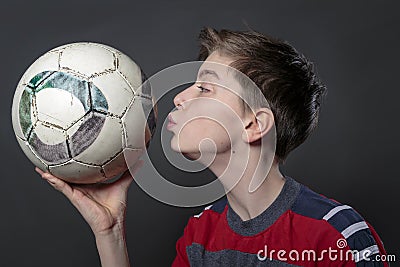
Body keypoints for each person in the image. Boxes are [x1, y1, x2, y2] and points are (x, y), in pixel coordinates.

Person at [35, 27, 388, 266]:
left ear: (253, 125)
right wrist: (110, 233)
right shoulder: (200, 236)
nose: (180, 98)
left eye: (205, 88)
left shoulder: (335, 234)